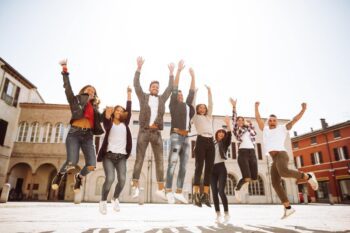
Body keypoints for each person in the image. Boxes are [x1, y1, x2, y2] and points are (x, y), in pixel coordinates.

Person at [255, 101, 318, 219]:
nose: (272, 122)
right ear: (268, 122)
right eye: (270, 120)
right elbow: (258, 118)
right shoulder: (265, 129)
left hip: (281, 154)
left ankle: (308, 176)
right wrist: (256, 107)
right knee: (275, 183)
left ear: (277, 122)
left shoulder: (282, 128)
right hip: (274, 159)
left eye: (274, 120)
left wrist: (303, 110)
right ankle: (288, 208)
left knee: (284, 172)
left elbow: (294, 120)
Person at [51, 59, 104, 193]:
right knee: (72, 162)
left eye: (93, 91)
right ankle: (60, 175)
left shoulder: (96, 108)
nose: (91, 92)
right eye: (88, 90)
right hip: (74, 133)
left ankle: (79, 177)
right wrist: (65, 71)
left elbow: (102, 120)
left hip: (88, 136)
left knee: (92, 165)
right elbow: (67, 88)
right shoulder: (75, 101)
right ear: (83, 92)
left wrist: (109, 113)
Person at [131, 56, 174, 200]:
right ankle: (135, 186)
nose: (155, 88)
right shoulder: (143, 97)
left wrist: (171, 73)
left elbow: (170, 88)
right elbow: (136, 85)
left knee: (160, 160)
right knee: (139, 159)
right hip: (144, 131)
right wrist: (138, 68)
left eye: (157, 87)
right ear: (150, 89)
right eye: (153, 87)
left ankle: (160, 189)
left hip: (156, 133)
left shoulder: (162, 99)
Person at [97, 87, 132, 214]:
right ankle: (102, 201)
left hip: (121, 157)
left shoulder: (125, 124)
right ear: (114, 112)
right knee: (110, 178)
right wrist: (107, 113)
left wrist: (129, 94)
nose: (119, 112)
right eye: (117, 110)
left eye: (121, 111)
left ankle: (115, 198)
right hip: (109, 156)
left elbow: (129, 108)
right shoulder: (109, 123)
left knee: (122, 180)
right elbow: (106, 119)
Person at [165, 60, 195, 204]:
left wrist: (193, 76)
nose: (180, 96)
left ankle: (178, 191)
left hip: (186, 138)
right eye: (178, 95)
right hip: (176, 136)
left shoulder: (188, 106)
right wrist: (178, 71)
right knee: (172, 163)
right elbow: (175, 87)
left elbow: (192, 91)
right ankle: (168, 190)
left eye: (181, 95)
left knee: (183, 166)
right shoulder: (173, 104)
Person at [230, 98, 258, 202]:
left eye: (242, 120)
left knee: (254, 177)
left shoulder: (250, 128)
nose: (240, 121)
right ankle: (237, 189)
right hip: (243, 153)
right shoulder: (236, 129)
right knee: (246, 177)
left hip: (252, 152)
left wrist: (249, 125)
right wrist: (234, 107)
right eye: (239, 120)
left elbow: (255, 134)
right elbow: (233, 118)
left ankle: (245, 184)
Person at [192, 82, 214, 207]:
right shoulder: (195, 117)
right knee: (199, 168)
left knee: (209, 169)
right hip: (200, 141)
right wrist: (195, 93)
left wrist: (209, 92)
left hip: (210, 142)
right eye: (200, 107)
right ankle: (196, 196)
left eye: (203, 107)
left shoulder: (209, 116)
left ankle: (205, 195)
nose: (202, 109)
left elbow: (211, 104)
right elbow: (192, 104)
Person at [211, 116, 231, 223]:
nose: (221, 133)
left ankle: (226, 212)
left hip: (221, 168)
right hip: (211, 170)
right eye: (220, 132)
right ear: (217, 134)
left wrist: (228, 124)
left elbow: (229, 135)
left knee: (221, 191)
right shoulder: (212, 142)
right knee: (214, 192)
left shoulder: (224, 143)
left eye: (223, 132)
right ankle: (218, 213)